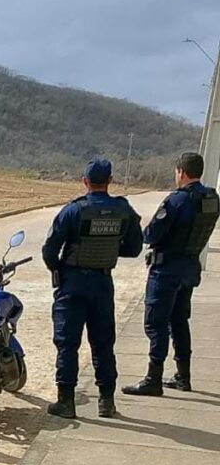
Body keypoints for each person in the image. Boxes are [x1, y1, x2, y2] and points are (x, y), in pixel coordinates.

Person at [42, 158, 143, 419]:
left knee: (67, 344)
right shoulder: (123, 209)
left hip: (72, 284)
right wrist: (108, 249)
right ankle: (106, 402)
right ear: (110, 180)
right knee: (103, 343)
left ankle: (66, 402)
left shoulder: (73, 210)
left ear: (85, 181)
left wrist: (60, 269)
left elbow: (50, 250)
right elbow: (134, 248)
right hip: (102, 283)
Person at [123, 152, 219, 396]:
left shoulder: (177, 201)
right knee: (179, 321)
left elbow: (151, 234)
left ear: (181, 172)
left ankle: (153, 379)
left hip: (167, 269)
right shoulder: (211, 198)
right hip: (190, 266)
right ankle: (183, 376)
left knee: (156, 323)